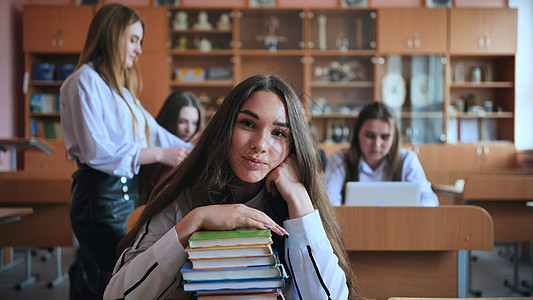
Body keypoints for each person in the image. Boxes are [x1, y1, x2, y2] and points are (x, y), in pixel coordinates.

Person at [104, 74, 359, 299]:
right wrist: (195, 221)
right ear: (225, 127)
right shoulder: (183, 196)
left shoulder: (296, 202)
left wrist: (297, 194)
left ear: (293, 147)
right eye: (248, 124)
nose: (260, 144)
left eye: (279, 133)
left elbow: (330, 297)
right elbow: (117, 295)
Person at [59, 3, 192, 299]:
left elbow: (157, 134)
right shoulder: (83, 82)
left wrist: (198, 146)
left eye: (140, 41)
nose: (139, 49)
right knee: (119, 275)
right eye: (133, 39)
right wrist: (159, 154)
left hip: (125, 197)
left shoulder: (123, 93)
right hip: (99, 200)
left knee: (122, 273)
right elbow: (97, 152)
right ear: (111, 35)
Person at [324, 102, 439, 207]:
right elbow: (328, 202)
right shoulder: (340, 158)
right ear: (357, 133)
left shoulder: (407, 159)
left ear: (394, 138)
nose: (377, 144)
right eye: (369, 136)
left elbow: (429, 200)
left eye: (385, 137)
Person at [139, 91, 202, 203]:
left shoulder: (198, 152)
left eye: (194, 123)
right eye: (182, 122)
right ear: (170, 119)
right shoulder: (147, 147)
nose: (189, 129)